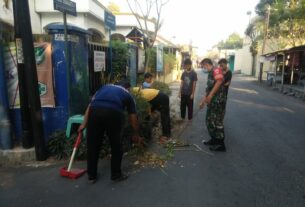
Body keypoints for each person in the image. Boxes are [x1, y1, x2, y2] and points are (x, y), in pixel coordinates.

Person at [78, 80, 143, 183]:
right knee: (116, 145)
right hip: (113, 113)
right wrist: (136, 134)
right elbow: (133, 117)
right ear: (127, 88)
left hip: (95, 111)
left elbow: (89, 107)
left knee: (93, 145)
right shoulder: (127, 94)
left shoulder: (103, 88)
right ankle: (116, 175)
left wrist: (83, 124)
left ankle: (91, 176)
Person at [199, 58, 226, 152]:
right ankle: (214, 139)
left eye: (203, 66)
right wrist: (203, 101)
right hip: (212, 102)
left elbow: (219, 81)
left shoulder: (216, 70)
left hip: (218, 101)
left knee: (217, 122)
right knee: (209, 121)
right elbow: (208, 89)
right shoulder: (210, 73)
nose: (203, 68)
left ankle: (221, 144)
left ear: (206, 64)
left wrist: (210, 96)